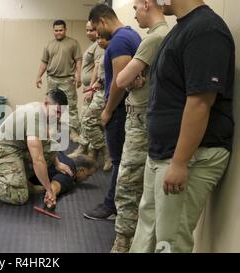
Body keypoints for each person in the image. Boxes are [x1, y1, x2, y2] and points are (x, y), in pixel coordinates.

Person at [130, 0, 235, 253]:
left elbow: (200, 103)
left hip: (189, 156)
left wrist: (179, 162)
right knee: (147, 235)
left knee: (169, 242)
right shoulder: (180, 29)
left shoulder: (206, 30)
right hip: (162, 152)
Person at [108, 0, 169, 253]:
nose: (134, 15)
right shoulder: (165, 36)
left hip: (141, 121)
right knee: (140, 186)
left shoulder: (155, 38)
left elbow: (121, 79)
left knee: (127, 185)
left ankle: (122, 244)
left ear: (146, 4)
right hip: (145, 116)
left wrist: (130, 79)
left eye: (135, 8)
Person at [83, 4, 142, 221]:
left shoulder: (119, 41)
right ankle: (115, 205)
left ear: (103, 21)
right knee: (122, 160)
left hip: (119, 111)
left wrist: (107, 111)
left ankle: (112, 207)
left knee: (118, 160)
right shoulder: (131, 35)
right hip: (125, 109)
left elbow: (119, 83)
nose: (97, 34)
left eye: (96, 28)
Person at [71, 22, 112, 172]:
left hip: (100, 93)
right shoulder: (99, 46)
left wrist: (93, 87)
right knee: (89, 121)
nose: (89, 33)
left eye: (92, 30)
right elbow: (98, 68)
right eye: (87, 30)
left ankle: (105, 153)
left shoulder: (104, 47)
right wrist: (92, 85)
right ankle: (91, 153)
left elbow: (99, 68)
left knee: (88, 121)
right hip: (95, 89)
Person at [36, 20, 83, 143]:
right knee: (50, 106)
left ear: (65, 30)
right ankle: (52, 131)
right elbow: (44, 62)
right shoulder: (48, 45)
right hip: (52, 79)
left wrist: (79, 76)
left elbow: (78, 60)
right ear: (53, 31)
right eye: (56, 30)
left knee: (71, 107)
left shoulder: (73, 43)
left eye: (60, 30)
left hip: (67, 80)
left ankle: (74, 132)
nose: (58, 32)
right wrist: (38, 76)